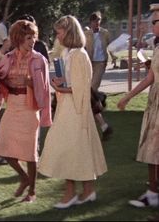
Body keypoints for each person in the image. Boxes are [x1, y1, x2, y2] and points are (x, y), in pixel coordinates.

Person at [38, 15, 107, 209]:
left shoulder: (78, 55)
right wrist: (60, 85)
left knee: (68, 149)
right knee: (78, 149)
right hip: (67, 107)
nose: (57, 36)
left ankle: (70, 194)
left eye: (59, 32)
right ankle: (88, 190)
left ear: (69, 32)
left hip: (75, 110)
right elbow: (70, 83)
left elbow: (81, 89)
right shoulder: (68, 53)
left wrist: (60, 89)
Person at [0, 20, 52, 202]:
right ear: (18, 38)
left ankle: (32, 192)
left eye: (34, 37)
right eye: (28, 37)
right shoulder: (7, 58)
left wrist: (32, 84)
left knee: (29, 152)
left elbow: (45, 88)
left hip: (29, 108)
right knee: (3, 149)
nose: (32, 41)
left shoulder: (39, 59)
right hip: (12, 106)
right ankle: (24, 178)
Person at [117, 4, 159, 208]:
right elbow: (152, 77)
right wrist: (128, 96)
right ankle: (153, 190)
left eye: (154, 22)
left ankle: (153, 191)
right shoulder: (158, 47)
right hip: (155, 102)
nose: (150, 26)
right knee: (151, 147)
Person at [84, 11, 113, 140]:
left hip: (100, 63)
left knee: (92, 90)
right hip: (90, 63)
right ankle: (101, 100)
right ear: (91, 22)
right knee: (89, 93)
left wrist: (114, 58)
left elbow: (111, 47)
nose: (97, 23)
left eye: (99, 21)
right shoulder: (86, 34)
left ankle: (99, 99)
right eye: (95, 21)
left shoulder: (105, 33)